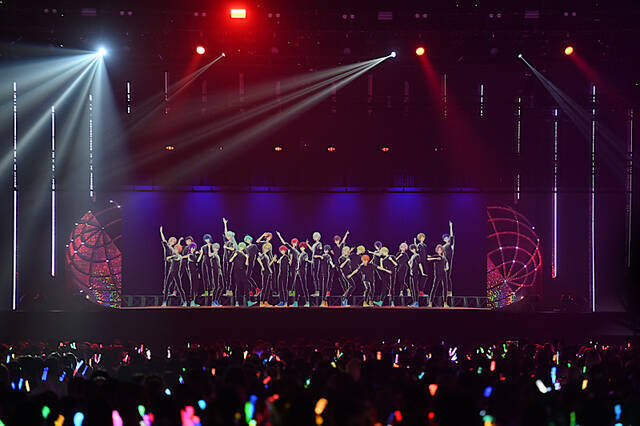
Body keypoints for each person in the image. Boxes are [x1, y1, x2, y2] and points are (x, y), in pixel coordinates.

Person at [229, 242, 254, 306]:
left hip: (243, 271)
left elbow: (247, 264)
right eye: (240, 246)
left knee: (246, 286)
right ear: (239, 246)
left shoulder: (244, 254)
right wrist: (234, 256)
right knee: (238, 286)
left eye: (242, 247)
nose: (241, 248)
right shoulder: (236, 252)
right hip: (236, 271)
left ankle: (249, 301)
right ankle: (237, 302)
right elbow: (230, 260)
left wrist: (247, 258)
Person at [159, 226, 177, 303]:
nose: (172, 242)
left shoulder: (173, 249)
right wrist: (161, 232)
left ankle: (171, 290)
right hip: (168, 263)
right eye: (171, 240)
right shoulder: (167, 246)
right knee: (167, 277)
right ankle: (165, 290)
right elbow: (164, 240)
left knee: (173, 278)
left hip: (173, 264)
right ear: (169, 241)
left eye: (174, 241)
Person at [257, 242, 277, 307]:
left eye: (268, 248)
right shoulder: (263, 255)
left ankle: (265, 301)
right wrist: (262, 266)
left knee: (268, 288)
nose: (266, 249)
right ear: (263, 248)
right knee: (264, 287)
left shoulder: (266, 256)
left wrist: (273, 260)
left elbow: (268, 265)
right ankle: (261, 302)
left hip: (269, 272)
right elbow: (258, 259)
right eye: (265, 248)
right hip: (265, 272)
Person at [222, 218, 237, 297]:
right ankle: (227, 290)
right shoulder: (226, 241)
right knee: (225, 275)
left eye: (229, 236)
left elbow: (234, 249)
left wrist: (226, 247)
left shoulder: (233, 242)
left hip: (230, 260)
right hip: (225, 259)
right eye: (227, 236)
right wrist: (225, 224)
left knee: (229, 275)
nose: (228, 237)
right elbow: (225, 232)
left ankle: (230, 290)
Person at [183, 242, 200, 307]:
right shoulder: (190, 255)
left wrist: (198, 273)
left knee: (195, 287)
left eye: (194, 248)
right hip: (191, 272)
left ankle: (193, 301)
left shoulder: (194, 254)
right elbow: (196, 260)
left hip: (195, 272)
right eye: (192, 248)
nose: (193, 249)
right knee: (192, 286)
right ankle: (191, 301)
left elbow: (197, 264)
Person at [393, 242, 410, 306]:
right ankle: (407, 289)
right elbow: (395, 260)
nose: (403, 248)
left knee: (402, 279)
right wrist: (399, 256)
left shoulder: (405, 254)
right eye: (402, 247)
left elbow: (406, 261)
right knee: (400, 280)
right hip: (399, 268)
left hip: (404, 268)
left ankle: (401, 292)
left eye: (404, 247)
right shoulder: (398, 253)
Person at [442, 221, 455, 299]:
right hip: (444, 262)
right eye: (445, 238)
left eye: (447, 238)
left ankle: (450, 291)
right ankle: (446, 291)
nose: (446, 239)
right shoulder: (443, 246)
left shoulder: (451, 244)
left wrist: (450, 227)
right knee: (445, 277)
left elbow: (452, 236)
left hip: (449, 261)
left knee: (448, 276)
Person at [310, 232, 323, 297]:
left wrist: (317, 256)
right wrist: (308, 244)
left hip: (317, 261)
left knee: (316, 275)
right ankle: (316, 291)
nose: (315, 237)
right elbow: (312, 251)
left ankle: (318, 291)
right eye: (314, 236)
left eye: (316, 236)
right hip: (313, 261)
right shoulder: (314, 244)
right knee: (314, 276)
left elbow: (320, 252)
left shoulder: (319, 244)